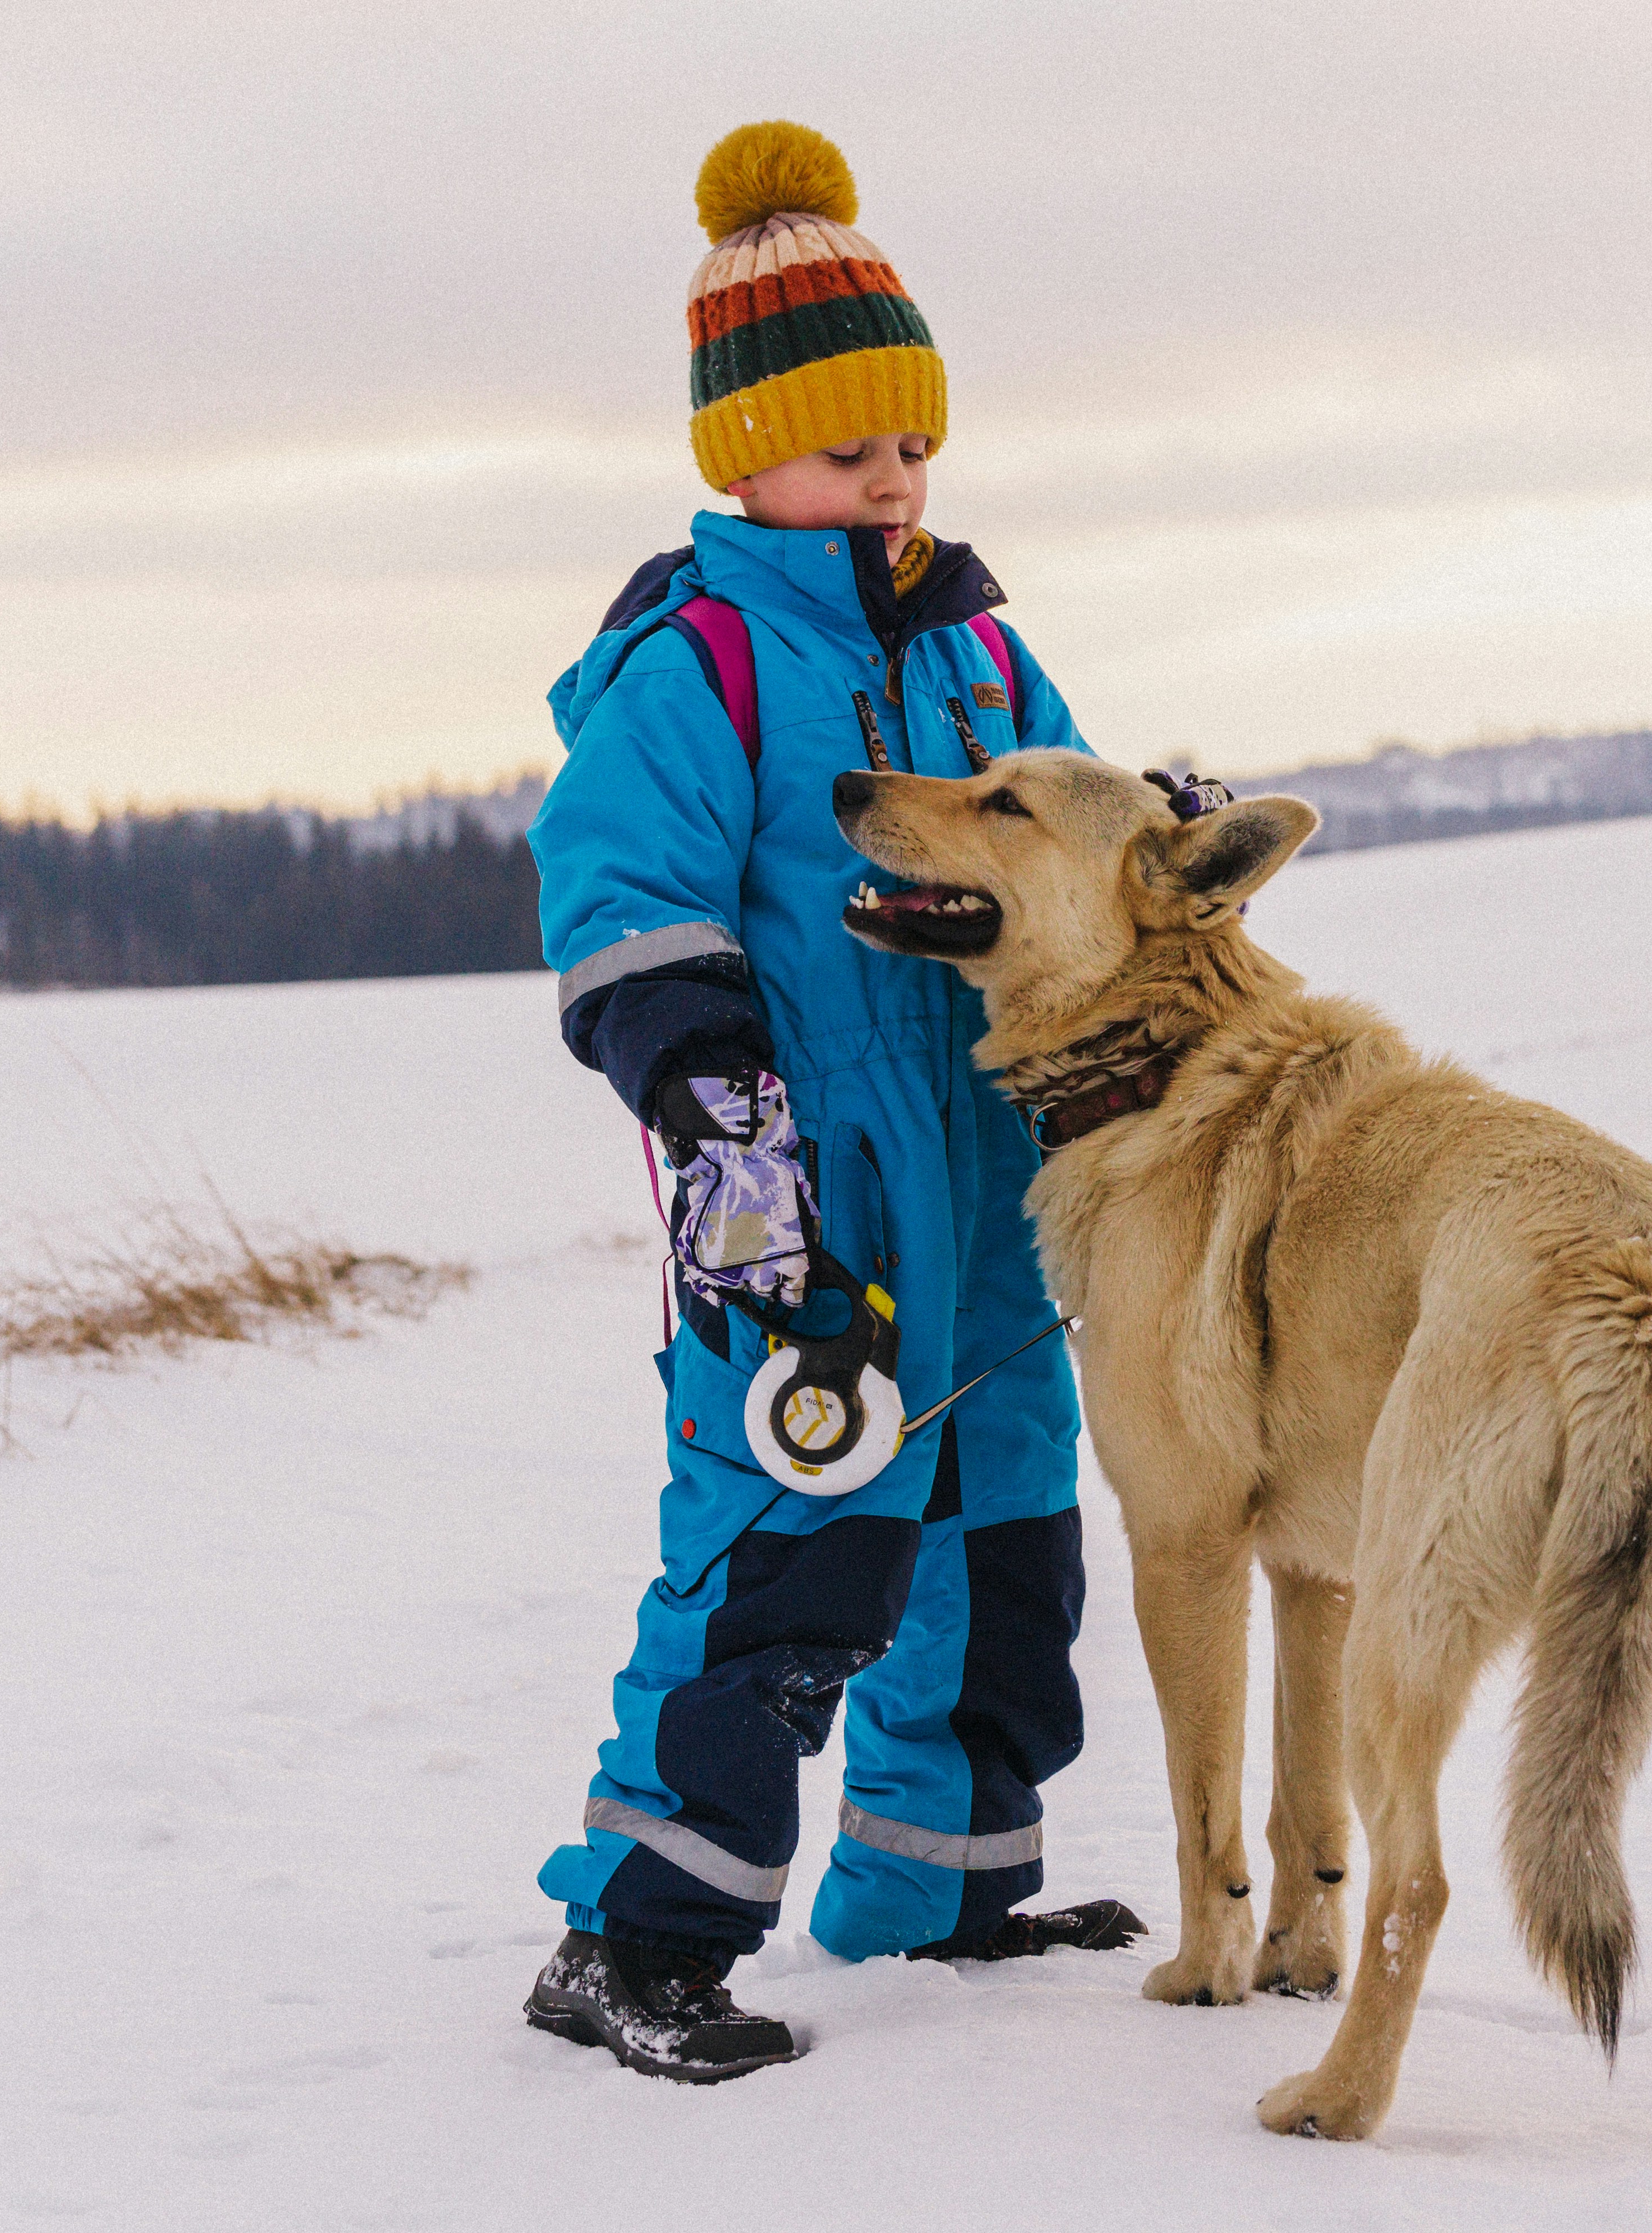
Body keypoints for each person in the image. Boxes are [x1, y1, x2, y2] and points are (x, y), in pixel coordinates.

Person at [518, 120, 1139, 2085]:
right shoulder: (694, 667)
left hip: (992, 1179)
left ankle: (940, 1881)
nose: (895, 482)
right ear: (745, 457)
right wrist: (728, 1136)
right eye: (853, 448)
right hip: (805, 1194)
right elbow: (627, 918)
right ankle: (636, 1932)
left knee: (1004, 1535)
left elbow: (1072, 824)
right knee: (789, 1556)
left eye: (914, 447)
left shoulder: (975, 648)